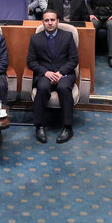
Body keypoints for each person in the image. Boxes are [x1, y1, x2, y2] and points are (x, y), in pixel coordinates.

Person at [27, 9, 78, 145]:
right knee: (42, 87)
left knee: (63, 87)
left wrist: (60, 73)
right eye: (46, 20)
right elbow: (31, 61)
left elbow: (73, 60)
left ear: (57, 21)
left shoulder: (67, 36)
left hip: (64, 73)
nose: (50, 23)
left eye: (52, 20)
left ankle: (67, 127)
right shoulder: (35, 38)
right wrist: (46, 72)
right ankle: (40, 126)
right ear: (43, 22)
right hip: (45, 74)